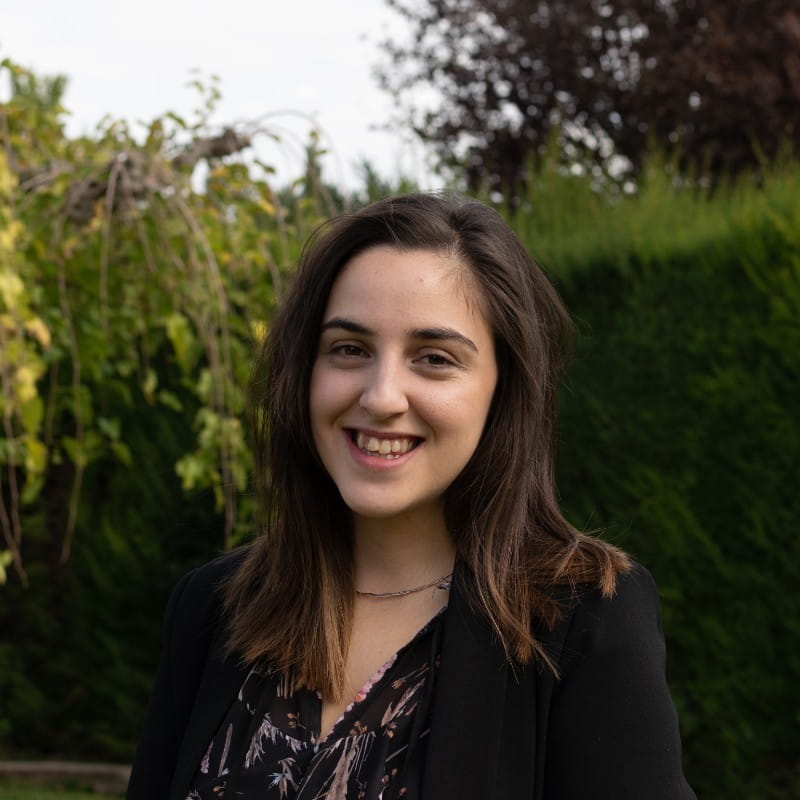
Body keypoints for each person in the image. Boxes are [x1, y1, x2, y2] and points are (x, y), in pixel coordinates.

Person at [127, 193, 695, 799]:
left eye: (434, 358)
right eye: (349, 348)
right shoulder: (213, 608)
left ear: (503, 391)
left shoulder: (583, 620)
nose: (381, 396)